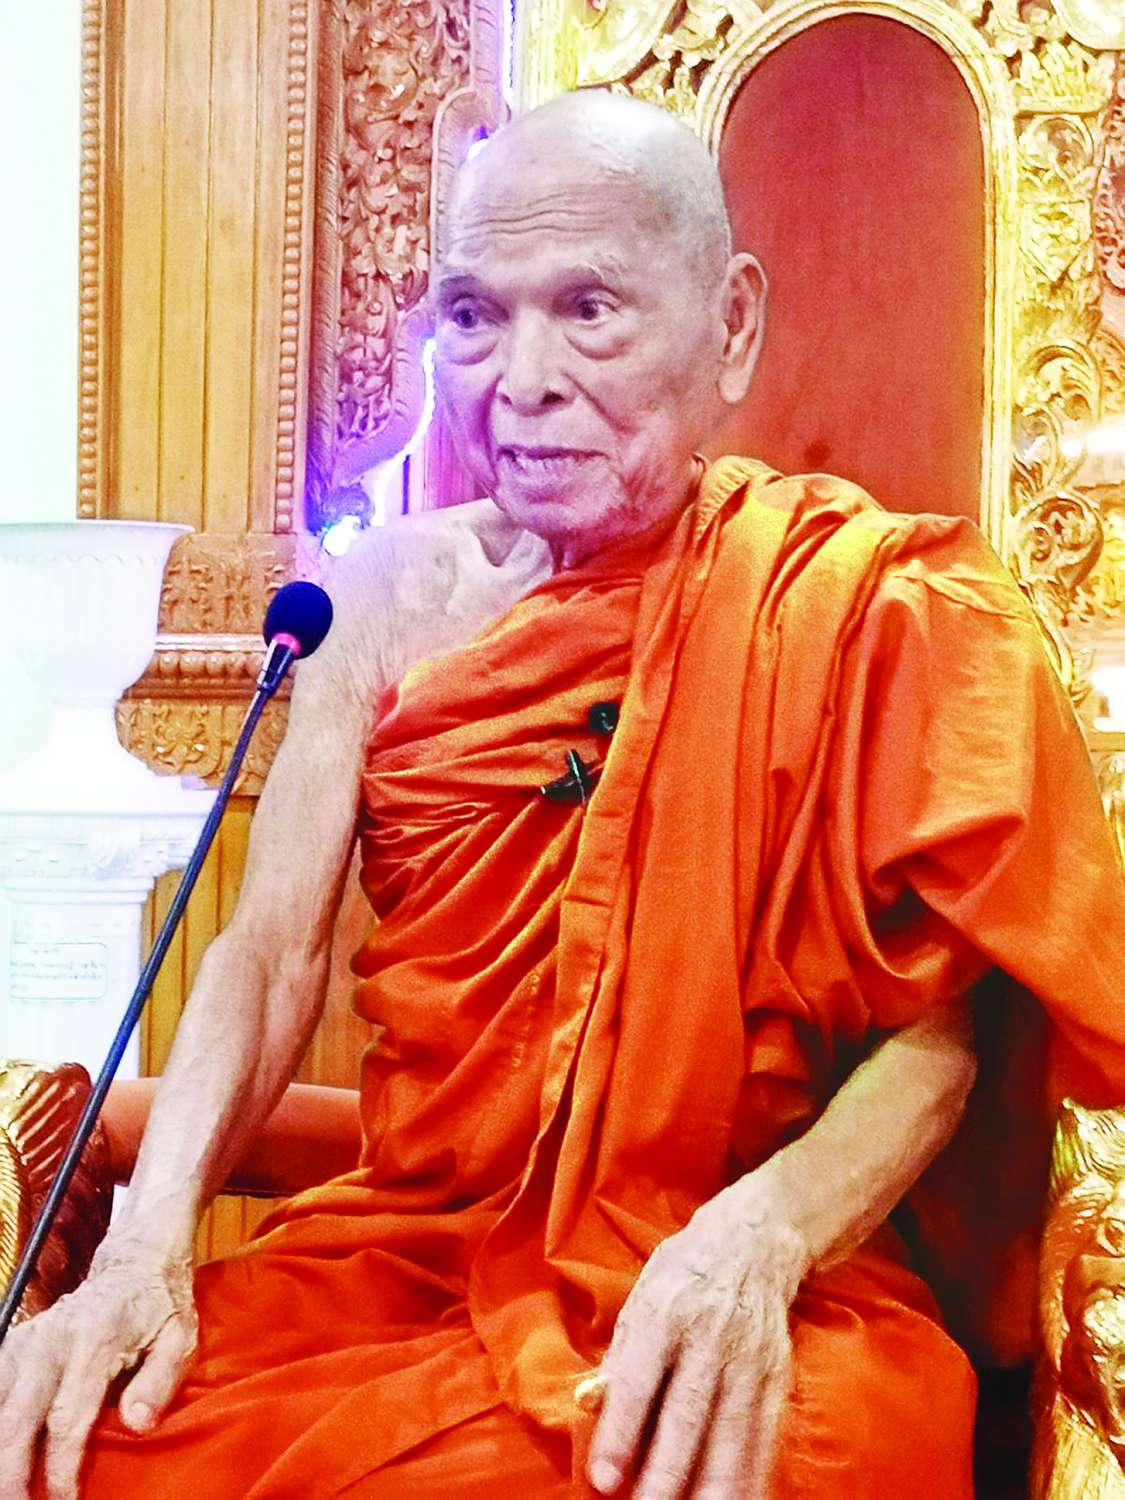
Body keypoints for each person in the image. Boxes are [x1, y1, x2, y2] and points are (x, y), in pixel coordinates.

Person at [1, 88, 1124, 1500]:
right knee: (72, 1441)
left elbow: (940, 1038)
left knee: (806, 1453)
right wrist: (146, 1246)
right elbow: (270, 954)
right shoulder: (379, 604)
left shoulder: (864, 608)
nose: (519, 380)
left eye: (588, 309)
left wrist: (764, 1237)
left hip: (751, 1253)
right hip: (414, 1255)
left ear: (729, 326)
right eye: (475, 316)